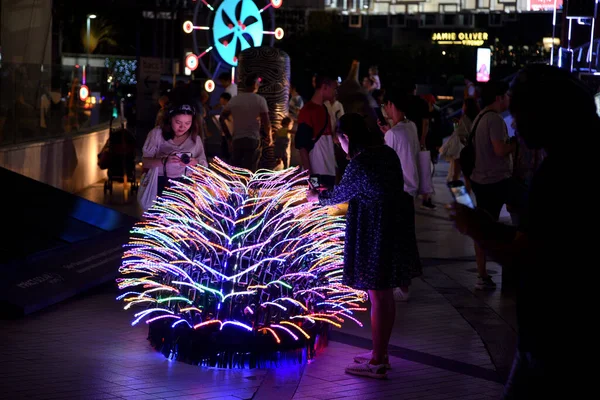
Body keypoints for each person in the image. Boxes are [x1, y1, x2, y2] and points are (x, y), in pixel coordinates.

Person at [451, 64, 597, 400]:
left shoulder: (561, 173)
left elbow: (528, 256)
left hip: (556, 339)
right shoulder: (579, 159)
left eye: (520, 114)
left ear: (546, 114)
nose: (514, 124)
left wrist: (477, 229)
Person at [307, 113, 419, 379]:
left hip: (374, 230)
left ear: (346, 137)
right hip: (393, 227)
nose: (340, 146)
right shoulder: (386, 153)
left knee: (378, 295)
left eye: (340, 141)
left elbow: (340, 196)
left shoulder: (360, 162)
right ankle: (379, 352)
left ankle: (378, 360)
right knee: (383, 294)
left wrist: (315, 197)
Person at [468, 80, 515, 290]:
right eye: (506, 95)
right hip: (495, 181)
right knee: (510, 225)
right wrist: (516, 142)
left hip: (480, 179)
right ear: (498, 97)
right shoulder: (495, 119)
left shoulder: (479, 117)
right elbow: (500, 150)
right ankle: (490, 273)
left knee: (483, 227)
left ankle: (482, 272)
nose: (508, 99)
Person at [379, 90, 423, 302]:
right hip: (410, 191)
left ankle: (402, 286)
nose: (385, 110)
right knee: (406, 238)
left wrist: (388, 134)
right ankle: (405, 283)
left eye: (386, 105)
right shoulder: (411, 126)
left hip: (398, 192)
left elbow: (387, 164)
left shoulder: (392, 135)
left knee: (396, 240)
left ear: (391, 105)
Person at [142, 104, 208, 197]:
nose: (182, 127)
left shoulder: (195, 139)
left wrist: (195, 162)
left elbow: (203, 166)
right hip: (160, 183)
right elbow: (145, 162)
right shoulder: (157, 134)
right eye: (178, 122)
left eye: (187, 123)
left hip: (185, 186)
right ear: (170, 119)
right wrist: (164, 161)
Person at [220, 73, 272, 172]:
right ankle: (248, 186)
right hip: (253, 139)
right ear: (255, 84)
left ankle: (237, 187)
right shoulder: (260, 100)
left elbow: (222, 118)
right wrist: (269, 137)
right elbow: (266, 121)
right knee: (250, 169)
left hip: (237, 139)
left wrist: (228, 137)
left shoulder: (235, 100)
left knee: (236, 170)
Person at [295, 76, 337, 189]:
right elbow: (302, 146)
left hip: (329, 172)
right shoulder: (307, 111)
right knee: (316, 204)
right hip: (317, 173)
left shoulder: (324, 109)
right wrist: (311, 179)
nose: (335, 92)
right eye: (334, 88)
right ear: (324, 87)